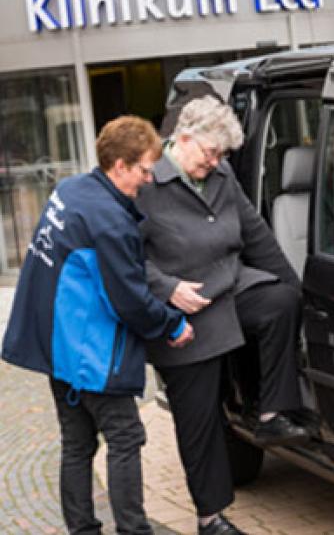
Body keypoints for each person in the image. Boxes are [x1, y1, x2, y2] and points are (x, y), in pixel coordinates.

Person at [2, 116, 194, 535]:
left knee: (77, 444)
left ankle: (82, 530)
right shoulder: (109, 219)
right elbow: (129, 301)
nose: (147, 180)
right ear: (119, 166)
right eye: (144, 169)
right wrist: (172, 325)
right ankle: (133, 531)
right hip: (90, 353)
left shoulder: (70, 190)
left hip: (57, 351)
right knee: (125, 439)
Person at [137, 96, 307, 535]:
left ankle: (271, 416)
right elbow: (123, 256)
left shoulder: (220, 171)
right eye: (209, 153)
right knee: (201, 420)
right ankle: (210, 517)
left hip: (229, 287)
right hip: (182, 310)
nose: (215, 162)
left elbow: (254, 232)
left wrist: (292, 285)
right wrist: (166, 288)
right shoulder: (145, 180)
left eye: (221, 155)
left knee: (280, 303)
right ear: (184, 137)